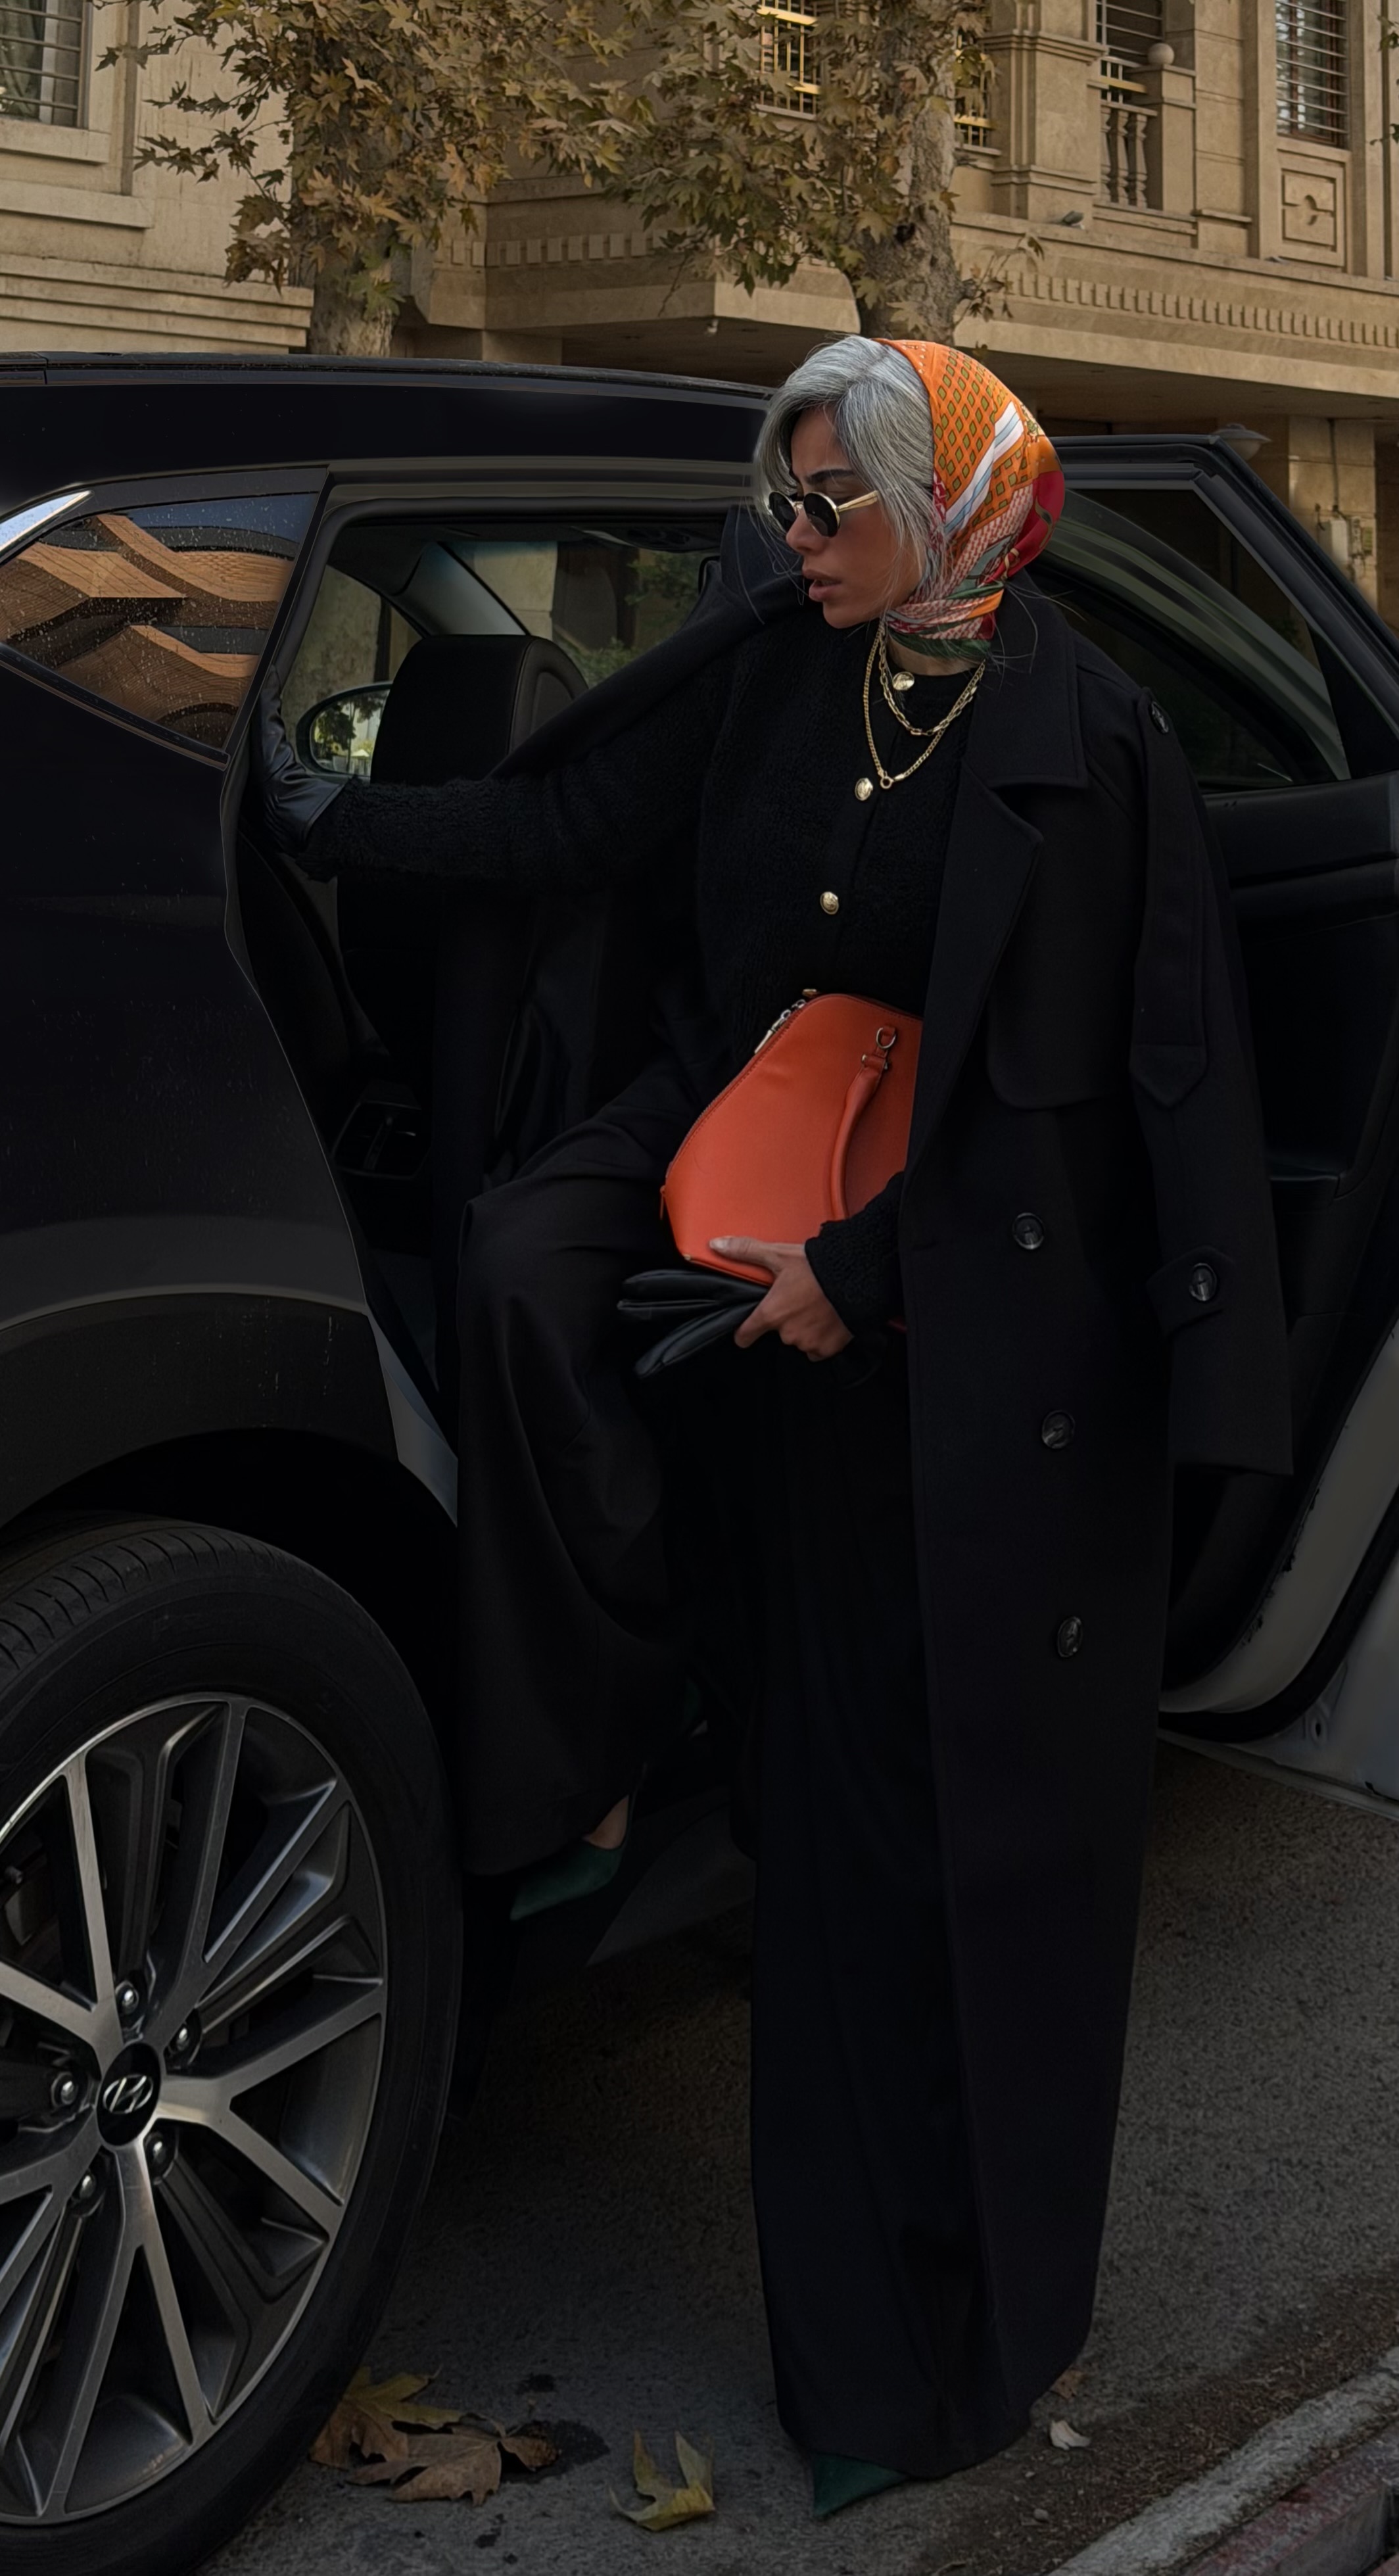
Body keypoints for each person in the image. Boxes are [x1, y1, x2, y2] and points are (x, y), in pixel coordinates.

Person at [254, 337, 1291, 2515]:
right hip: (729, 1142)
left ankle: (929, 2361)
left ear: (950, 504)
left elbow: (1093, 1109)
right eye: (785, 503)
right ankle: (596, 1753)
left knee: (915, 1864)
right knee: (525, 1269)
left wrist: (867, 1273)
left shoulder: (1086, 740)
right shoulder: (770, 665)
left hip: (952, 1307)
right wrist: (312, 813)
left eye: (831, 505)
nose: (792, 539)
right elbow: (566, 821)